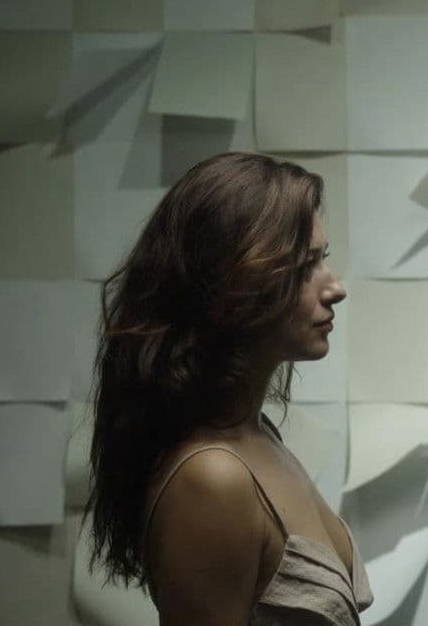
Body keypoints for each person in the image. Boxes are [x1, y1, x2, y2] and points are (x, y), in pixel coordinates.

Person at [84, 153, 370, 626]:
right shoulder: (212, 478)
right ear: (236, 284)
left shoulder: (259, 434)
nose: (335, 288)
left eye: (324, 259)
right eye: (305, 266)